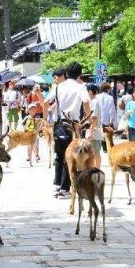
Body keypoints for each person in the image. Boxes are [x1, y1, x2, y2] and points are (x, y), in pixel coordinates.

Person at [48, 63, 91, 199]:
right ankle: (65, 188)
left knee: (59, 156)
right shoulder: (81, 87)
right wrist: (87, 119)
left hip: (59, 123)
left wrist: (45, 119)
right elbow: (86, 102)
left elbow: (46, 102)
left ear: (66, 74)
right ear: (79, 74)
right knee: (71, 156)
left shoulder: (58, 86)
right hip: (74, 126)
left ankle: (57, 185)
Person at [95, 82, 117, 151]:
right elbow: (112, 110)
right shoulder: (110, 98)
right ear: (107, 89)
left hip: (97, 119)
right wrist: (112, 121)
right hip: (106, 120)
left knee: (98, 134)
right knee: (106, 135)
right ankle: (105, 148)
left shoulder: (97, 96)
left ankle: (98, 147)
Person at [87, 84, 104, 167]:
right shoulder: (94, 101)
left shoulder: (94, 102)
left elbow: (94, 118)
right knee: (93, 152)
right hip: (94, 129)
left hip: (95, 130)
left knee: (95, 152)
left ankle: (97, 170)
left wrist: (90, 132)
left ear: (90, 92)